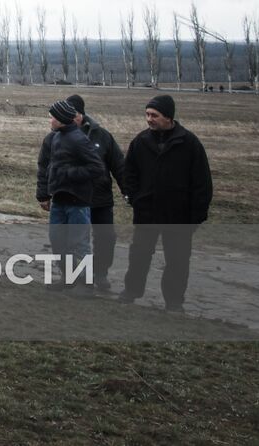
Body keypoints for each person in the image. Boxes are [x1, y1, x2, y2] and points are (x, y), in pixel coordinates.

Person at [118, 94, 214, 312]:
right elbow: (129, 173)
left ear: (169, 117)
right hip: (147, 213)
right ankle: (131, 292)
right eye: (147, 114)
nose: (149, 119)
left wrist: (197, 216)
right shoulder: (140, 142)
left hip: (178, 216)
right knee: (139, 256)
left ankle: (173, 301)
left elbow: (202, 183)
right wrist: (133, 197)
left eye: (154, 115)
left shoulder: (189, 143)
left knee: (178, 261)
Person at [36, 99, 105, 294]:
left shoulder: (79, 139)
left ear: (61, 119)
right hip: (58, 200)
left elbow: (97, 168)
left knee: (79, 244)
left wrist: (68, 174)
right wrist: (46, 192)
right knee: (58, 241)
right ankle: (68, 278)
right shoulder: (55, 137)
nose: (49, 120)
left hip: (77, 202)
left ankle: (86, 284)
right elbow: (46, 166)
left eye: (52, 117)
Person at [64, 94, 126, 292]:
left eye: (73, 115)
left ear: (81, 115)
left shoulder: (103, 136)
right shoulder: (59, 136)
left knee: (106, 237)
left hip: (101, 198)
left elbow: (119, 166)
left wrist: (129, 192)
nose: (69, 119)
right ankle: (77, 275)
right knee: (75, 239)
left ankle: (100, 273)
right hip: (74, 198)